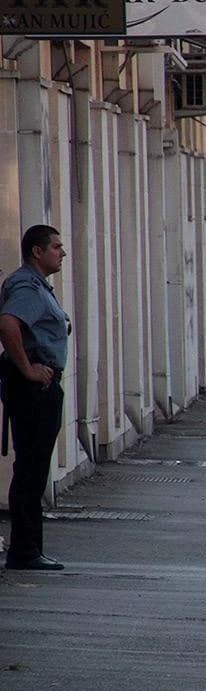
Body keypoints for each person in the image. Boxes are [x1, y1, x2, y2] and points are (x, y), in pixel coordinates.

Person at [0, 225, 70, 570]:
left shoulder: (37, 286)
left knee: (34, 465)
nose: (62, 252)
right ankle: (25, 550)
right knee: (31, 467)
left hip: (38, 383)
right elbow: (9, 324)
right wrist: (27, 368)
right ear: (37, 252)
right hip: (33, 386)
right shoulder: (28, 287)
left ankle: (29, 547)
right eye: (56, 247)